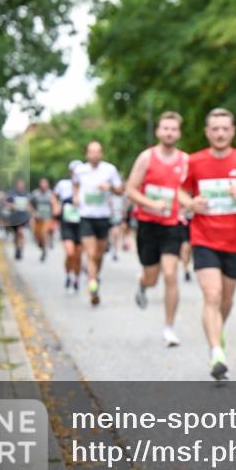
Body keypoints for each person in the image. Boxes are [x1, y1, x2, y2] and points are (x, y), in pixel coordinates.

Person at [180, 108, 236, 380]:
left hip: (234, 241)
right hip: (203, 239)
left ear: (232, 131)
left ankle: (218, 331)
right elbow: (180, 193)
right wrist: (191, 203)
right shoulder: (194, 162)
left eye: (224, 128)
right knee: (212, 295)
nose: (219, 133)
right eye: (214, 128)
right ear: (207, 132)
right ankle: (216, 352)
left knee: (226, 300)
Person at [125, 111, 188, 345]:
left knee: (171, 273)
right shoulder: (146, 157)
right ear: (158, 131)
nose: (169, 132)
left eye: (173, 129)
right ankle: (143, 284)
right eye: (165, 128)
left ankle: (169, 328)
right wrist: (152, 204)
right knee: (152, 277)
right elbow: (130, 189)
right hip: (148, 224)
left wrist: (188, 203)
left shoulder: (185, 161)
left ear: (178, 133)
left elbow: (189, 190)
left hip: (172, 225)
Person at [72, 142, 124, 306]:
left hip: (103, 216)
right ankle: (93, 284)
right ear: (86, 154)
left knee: (99, 255)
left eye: (97, 152)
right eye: (91, 152)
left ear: (101, 154)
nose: (94, 155)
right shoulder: (80, 170)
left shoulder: (110, 170)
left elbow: (120, 190)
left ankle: (95, 276)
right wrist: (75, 197)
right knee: (90, 252)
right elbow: (75, 184)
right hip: (86, 216)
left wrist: (109, 187)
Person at [54, 161, 83, 291]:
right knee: (70, 253)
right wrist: (56, 206)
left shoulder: (86, 185)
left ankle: (76, 277)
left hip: (81, 223)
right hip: (67, 222)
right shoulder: (63, 185)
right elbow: (54, 197)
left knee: (78, 255)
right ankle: (68, 275)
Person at [29, 177, 54, 262]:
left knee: (44, 233)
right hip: (37, 218)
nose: (43, 185)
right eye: (42, 184)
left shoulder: (51, 194)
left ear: (48, 185)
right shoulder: (35, 194)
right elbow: (29, 205)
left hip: (47, 218)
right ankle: (42, 247)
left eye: (45, 184)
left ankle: (45, 249)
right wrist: (34, 212)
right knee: (37, 235)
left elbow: (55, 205)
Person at [6, 179, 31, 260]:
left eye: (22, 184)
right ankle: (17, 247)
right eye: (19, 184)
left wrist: (29, 210)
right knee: (16, 234)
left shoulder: (26, 194)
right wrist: (12, 206)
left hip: (23, 217)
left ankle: (20, 248)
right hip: (15, 217)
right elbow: (8, 205)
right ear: (16, 185)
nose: (20, 186)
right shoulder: (12, 194)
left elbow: (30, 205)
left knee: (21, 232)